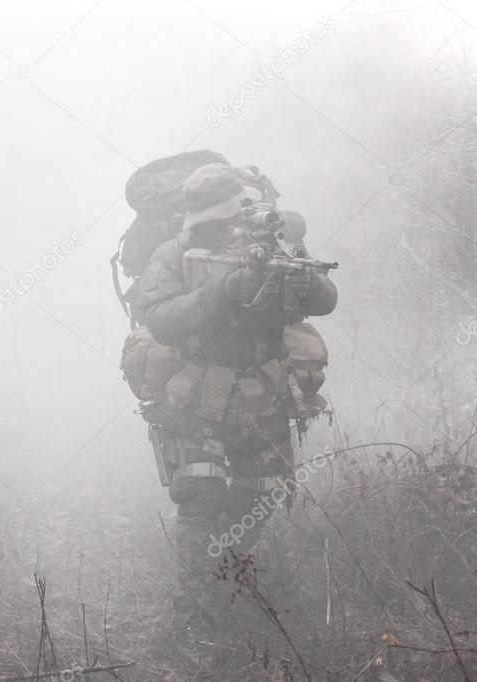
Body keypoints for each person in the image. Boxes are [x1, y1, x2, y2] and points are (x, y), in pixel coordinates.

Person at [133, 162, 337, 667]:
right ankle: (196, 622)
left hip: (261, 390)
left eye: (231, 217)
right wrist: (224, 289)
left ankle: (230, 585)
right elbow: (159, 319)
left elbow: (327, 300)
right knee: (201, 500)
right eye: (216, 220)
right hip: (196, 391)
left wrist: (293, 276)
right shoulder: (173, 253)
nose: (227, 227)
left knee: (258, 497)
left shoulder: (278, 236)